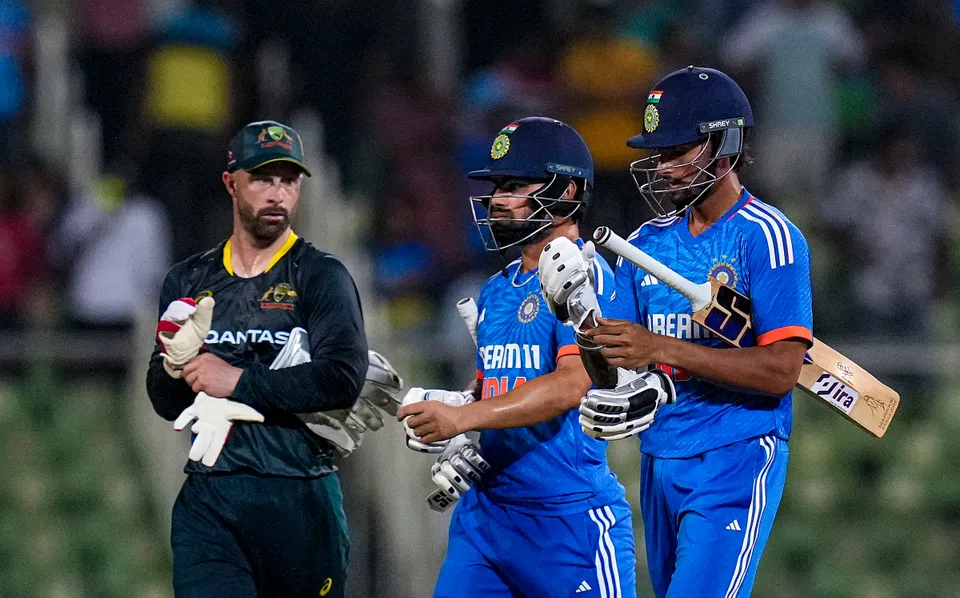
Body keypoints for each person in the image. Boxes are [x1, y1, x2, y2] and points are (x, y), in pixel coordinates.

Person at [540, 66, 812, 597]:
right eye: (658, 154)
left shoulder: (769, 236)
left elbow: (783, 370)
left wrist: (662, 348)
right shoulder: (643, 243)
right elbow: (610, 368)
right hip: (659, 456)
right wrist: (580, 314)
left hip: (735, 452)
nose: (662, 168)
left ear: (724, 146)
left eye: (676, 152)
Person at [397, 116, 674, 597]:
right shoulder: (495, 288)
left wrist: (463, 418)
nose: (498, 199)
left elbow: (571, 383)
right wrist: (455, 411)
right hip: (486, 520)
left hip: (567, 524)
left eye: (514, 186)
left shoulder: (586, 272)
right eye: (497, 186)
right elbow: (495, 387)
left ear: (566, 191)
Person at [145, 120, 400, 598]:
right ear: (231, 182)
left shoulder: (321, 276)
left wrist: (238, 381)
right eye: (262, 179)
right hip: (212, 499)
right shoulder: (188, 279)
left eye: (289, 181)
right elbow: (166, 403)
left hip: (300, 495)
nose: (277, 194)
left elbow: (342, 379)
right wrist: (172, 366)